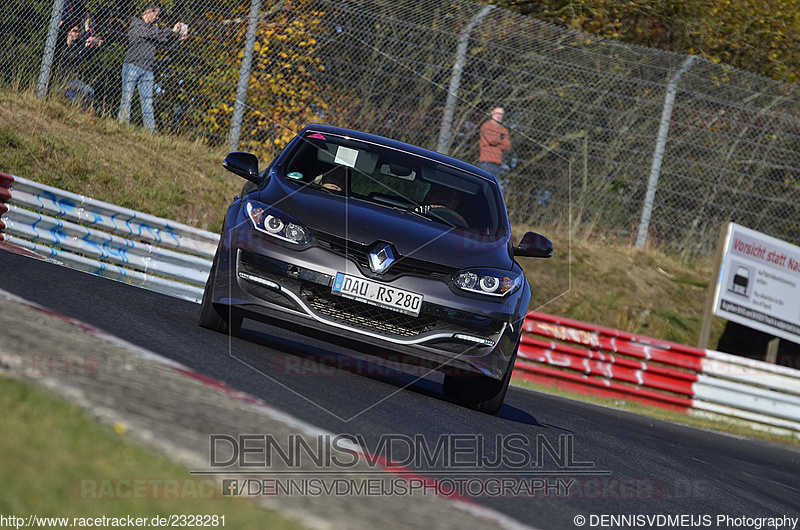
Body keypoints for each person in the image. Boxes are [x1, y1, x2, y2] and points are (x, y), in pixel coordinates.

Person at [117, 3, 188, 131]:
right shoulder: (136, 23)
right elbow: (149, 33)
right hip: (132, 66)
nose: (157, 18)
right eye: (156, 15)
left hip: (148, 71)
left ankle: (150, 130)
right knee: (127, 98)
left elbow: (166, 45)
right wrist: (171, 30)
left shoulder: (155, 30)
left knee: (148, 102)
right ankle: (122, 125)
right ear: (149, 11)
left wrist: (178, 38)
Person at [54, 19, 103, 109]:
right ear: (68, 31)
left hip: (72, 79)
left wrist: (96, 48)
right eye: (75, 31)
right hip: (62, 79)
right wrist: (85, 47)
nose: (77, 33)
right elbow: (73, 56)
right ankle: (85, 110)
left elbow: (85, 57)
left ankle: (85, 111)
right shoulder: (61, 44)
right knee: (88, 91)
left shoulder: (75, 44)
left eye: (78, 31)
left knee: (85, 94)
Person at [479, 107, 512, 186]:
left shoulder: (504, 130)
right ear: (492, 113)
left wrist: (497, 140)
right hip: (486, 160)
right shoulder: (487, 126)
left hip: (498, 162)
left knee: (493, 187)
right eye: (497, 113)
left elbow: (507, 146)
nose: (498, 116)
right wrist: (501, 138)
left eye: (501, 114)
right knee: (483, 184)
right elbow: (491, 140)